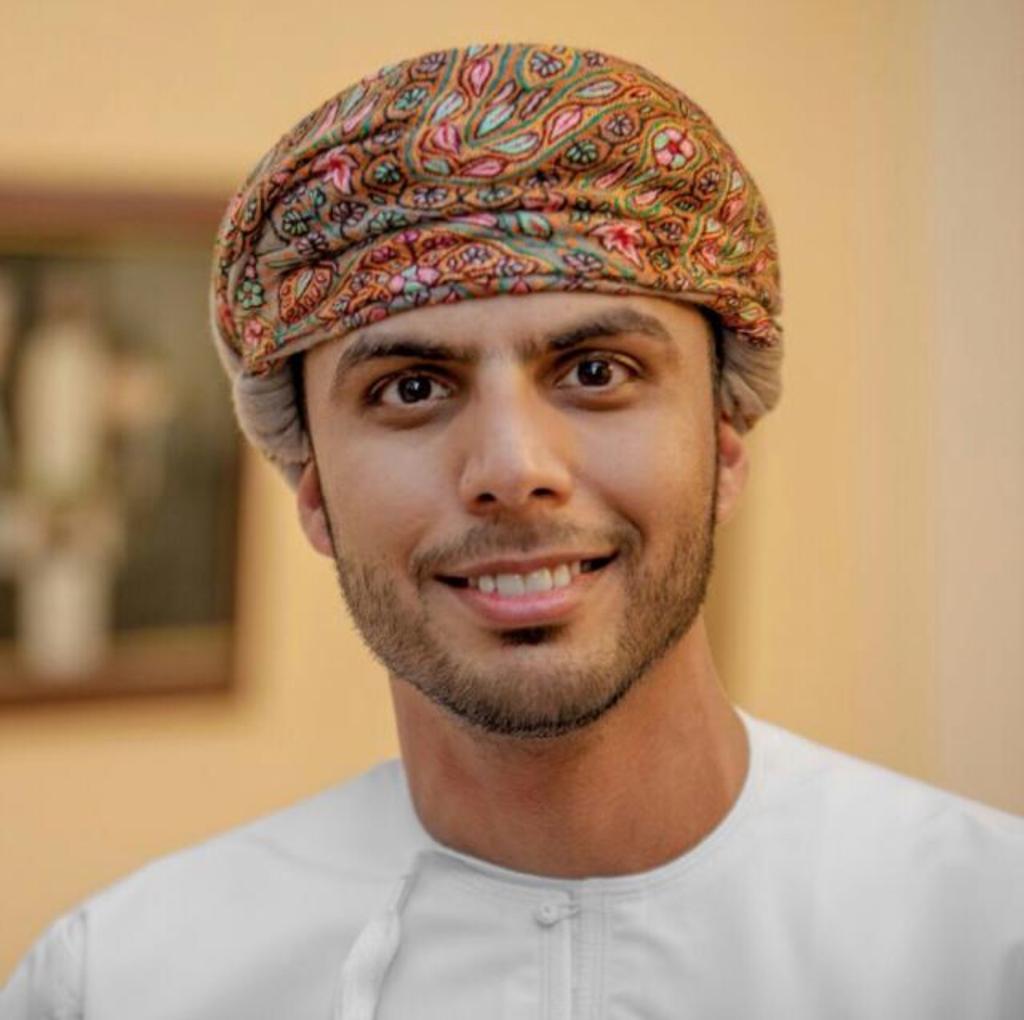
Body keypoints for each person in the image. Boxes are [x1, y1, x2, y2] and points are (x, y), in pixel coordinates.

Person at [3, 42, 1022, 1020]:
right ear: (311, 490)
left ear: (725, 447)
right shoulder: (123, 985)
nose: (511, 470)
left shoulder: (984, 944)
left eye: (596, 372)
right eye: (412, 388)